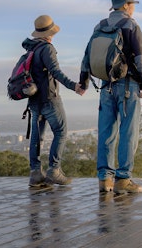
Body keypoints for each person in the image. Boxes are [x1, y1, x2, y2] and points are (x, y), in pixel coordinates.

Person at [79, 0, 142, 194]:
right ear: (127, 5)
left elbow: (87, 55)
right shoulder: (131, 25)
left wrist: (83, 81)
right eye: (132, 4)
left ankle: (104, 179)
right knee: (128, 132)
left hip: (105, 86)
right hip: (128, 87)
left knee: (106, 132)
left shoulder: (100, 26)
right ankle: (123, 179)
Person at [22, 15, 84, 187]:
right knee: (61, 131)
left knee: (37, 137)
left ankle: (35, 173)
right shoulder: (47, 48)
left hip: (34, 100)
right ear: (50, 32)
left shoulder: (31, 49)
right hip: (49, 99)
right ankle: (54, 171)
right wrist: (74, 86)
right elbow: (55, 71)